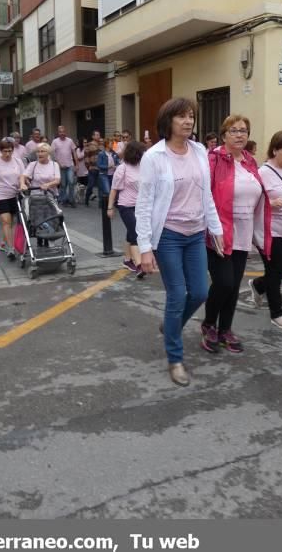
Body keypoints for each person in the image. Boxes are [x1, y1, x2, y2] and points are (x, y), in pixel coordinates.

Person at [136, 97, 224, 387]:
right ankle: (175, 358)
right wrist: (145, 247)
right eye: (181, 117)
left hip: (196, 233)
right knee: (177, 295)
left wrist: (215, 228)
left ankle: (170, 326)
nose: (188, 121)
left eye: (191, 116)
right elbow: (144, 203)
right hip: (169, 236)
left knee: (199, 292)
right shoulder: (154, 156)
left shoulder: (199, 150)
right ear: (168, 121)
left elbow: (206, 194)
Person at [202, 115, 271, 353]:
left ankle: (225, 329)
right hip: (219, 232)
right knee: (224, 283)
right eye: (234, 130)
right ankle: (209, 324)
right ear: (224, 135)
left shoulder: (250, 161)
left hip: (243, 232)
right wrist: (212, 227)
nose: (240, 134)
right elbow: (205, 194)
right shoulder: (214, 159)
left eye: (244, 130)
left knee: (233, 286)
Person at [251, 130, 282, 330]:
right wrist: (270, 203)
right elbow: (253, 200)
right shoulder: (263, 172)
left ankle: (259, 286)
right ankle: (277, 313)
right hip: (269, 229)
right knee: (274, 270)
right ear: (274, 150)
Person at [108, 141, 146, 278]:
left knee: (131, 233)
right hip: (126, 206)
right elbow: (114, 189)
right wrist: (110, 207)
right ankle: (139, 264)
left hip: (141, 206)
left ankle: (127, 260)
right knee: (136, 233)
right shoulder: (122, 168)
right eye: (141, 153)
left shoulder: (143, 166)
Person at [0, 138, 24, 260]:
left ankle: (4, 242)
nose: (7, 154)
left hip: (15, 194)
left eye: (10, 151)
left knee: (12, 222)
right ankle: (11, 248)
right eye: (5, 151)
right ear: (0, 151)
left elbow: (22, 177)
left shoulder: (18, 161)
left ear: (13, 150)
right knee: (5, 221)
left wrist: (23, 183)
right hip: (1, 195)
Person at [20, 143, 61, 248]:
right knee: (37, 220)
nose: (40, 153)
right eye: (38, 151)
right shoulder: (33, 164)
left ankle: (48, 241)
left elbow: (57, 180)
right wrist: (22, 183)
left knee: (50, 219)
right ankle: (39, 241)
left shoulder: (54, 165)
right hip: (36, 198)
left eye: (42, 151)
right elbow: (23, 175)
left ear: (48, 153)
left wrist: (48, 184)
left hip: (50, 197)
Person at [52, 125, 77, 207]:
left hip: (70, 165)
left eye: (63, 131)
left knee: (71, 182)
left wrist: (76, 164)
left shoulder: (70, 141)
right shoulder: (55, 142)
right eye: (60, 132)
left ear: (65, 132)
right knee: (63, 184)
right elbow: (53, 154)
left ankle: (71, 200)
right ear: (58, 133)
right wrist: (58, 164)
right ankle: (64, 199)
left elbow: (74, 152)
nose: (62, 133)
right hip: (60, 166)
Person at [84, 138, 101, 206]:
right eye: (96, 135)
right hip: (92, 169)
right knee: (90, 185)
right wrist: (88, 167)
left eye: (98, 135)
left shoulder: (101, 145)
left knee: (100, 186)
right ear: (93, 136)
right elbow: (86, 156)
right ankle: (87, 198)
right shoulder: (89, 145)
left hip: (100, 169)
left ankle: (101, 202)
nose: (98, 136)